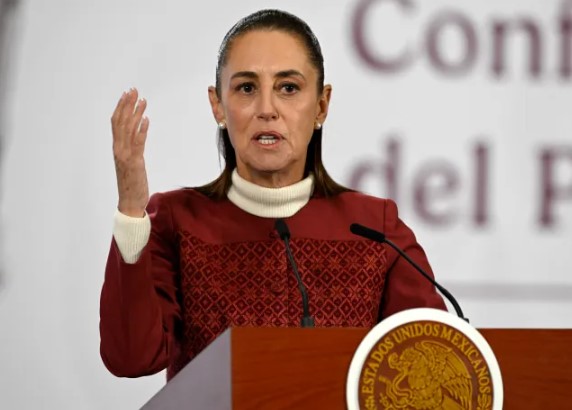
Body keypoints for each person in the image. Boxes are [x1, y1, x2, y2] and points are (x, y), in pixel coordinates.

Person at [99, 9, 446, 380]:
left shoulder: (375, 228)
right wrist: (131, 211)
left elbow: (438, 360)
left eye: (288, 88)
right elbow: (131, 358)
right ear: (218, 105)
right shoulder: (177, 221)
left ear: (321, 105)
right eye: (247, 88)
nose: (267, 110)